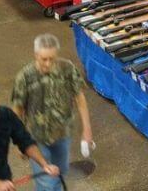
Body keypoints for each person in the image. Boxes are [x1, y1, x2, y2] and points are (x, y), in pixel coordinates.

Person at [11, 35, 92, 191]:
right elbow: (17, 111)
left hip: (63, 134)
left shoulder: (67, 68)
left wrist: (87, 130)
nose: (48, 63)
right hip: (37, 138)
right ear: (36, 55)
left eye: (52, 59)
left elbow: (80, 99)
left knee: (60, 173)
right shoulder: (25, 77)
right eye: (44, 59)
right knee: (46, 182)